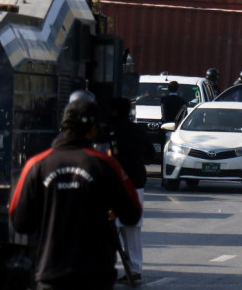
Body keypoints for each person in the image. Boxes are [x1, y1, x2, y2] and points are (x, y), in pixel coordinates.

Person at [9, 99, 142, 289]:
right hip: (95, 274)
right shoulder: (105, 165)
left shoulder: (36, 165)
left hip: (50, 273)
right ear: (92, 129)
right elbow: (132, 214)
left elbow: (20, 222)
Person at [106, 97, 153, 286]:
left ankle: (102, 268)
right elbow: (150, 153)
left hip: (111, 184)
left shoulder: (108, 131)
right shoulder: (137, 130)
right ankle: (135, 270)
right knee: (132, 229)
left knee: (107, 229)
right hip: (134, 184)